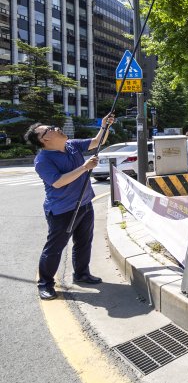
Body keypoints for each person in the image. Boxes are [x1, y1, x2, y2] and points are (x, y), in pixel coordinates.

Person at [25, 113, 115, 300]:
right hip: (61, 210)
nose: (55, 127)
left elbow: (97, 141)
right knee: (55, 248)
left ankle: (81, 273)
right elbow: (58, 182)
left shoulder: (71, 145)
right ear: (44, 140)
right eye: (49, 129)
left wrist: (104, 126)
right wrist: (84, 167)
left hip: (84, 203)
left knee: (84, 242)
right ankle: (45, 284)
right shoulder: (43, 160)